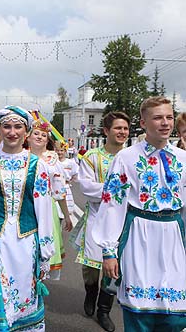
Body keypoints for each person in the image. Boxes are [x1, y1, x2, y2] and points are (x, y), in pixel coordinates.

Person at [93, 97, 186, 331]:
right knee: (139, 309)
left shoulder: (183, 159)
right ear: (143, 123)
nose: (165, 123)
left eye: (168, 117)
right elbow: (112, 205)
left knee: (175, 314)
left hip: (174, 236)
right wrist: (109, 251)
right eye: (157, 118)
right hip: (139, 236)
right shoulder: (126, 158)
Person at [0, 106, 54, 331]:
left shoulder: (39, 166)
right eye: (6, 126)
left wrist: (46, 250)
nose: (12, 132)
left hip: (26, 239)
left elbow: (43, 208)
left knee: (24, 291)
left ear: (26, 132)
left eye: (18, 127)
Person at [71, 111, 130, 332]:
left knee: (115, 267)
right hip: (97, 217)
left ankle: (104, 310)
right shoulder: (92, 157)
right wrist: (116, 190)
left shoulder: (132, 156)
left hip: (123, 220)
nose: (122, 132)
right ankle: (90, 293)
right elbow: (86, 187)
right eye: (117, 128)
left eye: (125, 128)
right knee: (91, 267)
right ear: (106, 131)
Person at [26, 120, 72, 280]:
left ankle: (39, 284)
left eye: (43, 135)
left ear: (47, 140)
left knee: (42, 247)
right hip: (24, 207)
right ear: (28, 137)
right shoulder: (22, 157)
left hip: (46, 208)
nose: (39, 137)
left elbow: (59, 191)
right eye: (36, 134)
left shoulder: (52, 161)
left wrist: (66, 215)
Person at [54, 140, 79, 217]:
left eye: (61, 150)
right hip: (54, 188)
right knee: (55, 211)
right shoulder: (53, 162)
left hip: (65, 187)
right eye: (57, 150)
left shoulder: (70, 162)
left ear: (65, 151)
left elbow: (76, 173)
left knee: (65, 211)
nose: (59, 153)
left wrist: (70, 180)